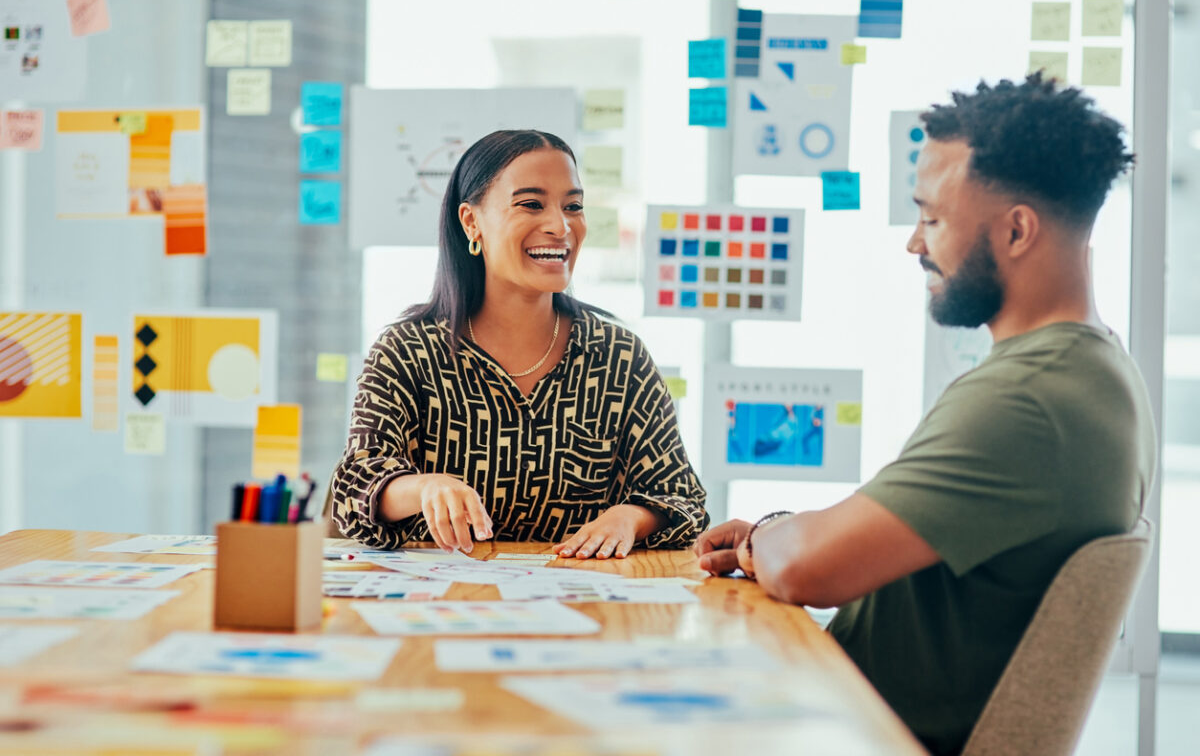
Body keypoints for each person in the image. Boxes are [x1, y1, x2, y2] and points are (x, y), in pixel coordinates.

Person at [694, 74, 1156, 756]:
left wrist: (771, 537)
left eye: (933, 219)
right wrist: (784, 535)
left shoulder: (1028, 399)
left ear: (1018, 230)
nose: (915, 244)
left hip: (860, 737)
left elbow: (809, 571)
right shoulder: (1093, 369)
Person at [331, 129, 708, 559]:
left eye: (573, 206)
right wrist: (425, 487)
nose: (560, 226)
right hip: (441, 609)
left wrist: (631, 517)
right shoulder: (407, 349)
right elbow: (354, 489)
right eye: (531, 204)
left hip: (583, 609)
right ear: (471, 221)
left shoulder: (618, 355)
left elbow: (683, 500)